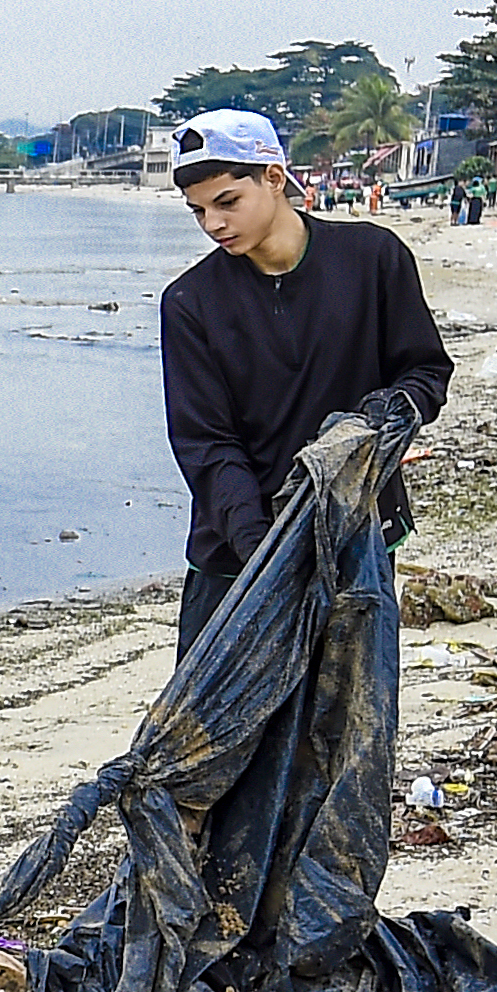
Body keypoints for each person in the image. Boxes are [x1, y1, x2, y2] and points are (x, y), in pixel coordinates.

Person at [158, 108, 453, 653]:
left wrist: (382, 419)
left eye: (227, 203)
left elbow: (425, 370)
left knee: (346, 726)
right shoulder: (190, 303)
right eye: (197, 210)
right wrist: (261, 551)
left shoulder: (373, 259)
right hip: (235, 558)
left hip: (357, 538)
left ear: (274, 177)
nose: (213, 224)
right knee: (219, 733)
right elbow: (206, 443)